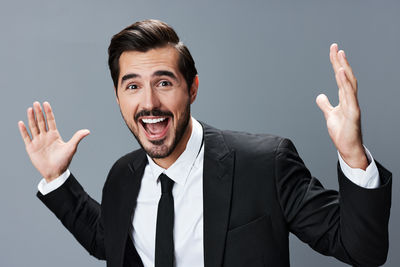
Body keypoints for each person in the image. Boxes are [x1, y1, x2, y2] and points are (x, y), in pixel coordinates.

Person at [18, 19, 391, 267]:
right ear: (118, 98)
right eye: (132, 86)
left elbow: (363, 250)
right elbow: (110, 240)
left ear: (192, 88)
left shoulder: (265, 164)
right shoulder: (123, 175)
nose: (148, 103)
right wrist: (57, 179)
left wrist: (352, 154)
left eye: (164, 82)